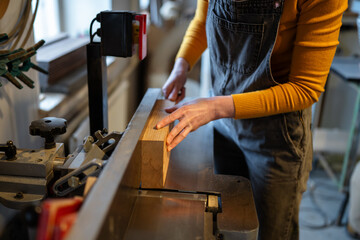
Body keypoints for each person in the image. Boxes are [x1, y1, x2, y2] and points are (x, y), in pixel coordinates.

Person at [156, 0, 347, 239]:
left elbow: (305, 88)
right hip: (226, 126)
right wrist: (181, 65)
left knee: (272, 233)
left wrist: (216, 107)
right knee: (229, 225)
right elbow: (203, 20)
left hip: (275, 138)